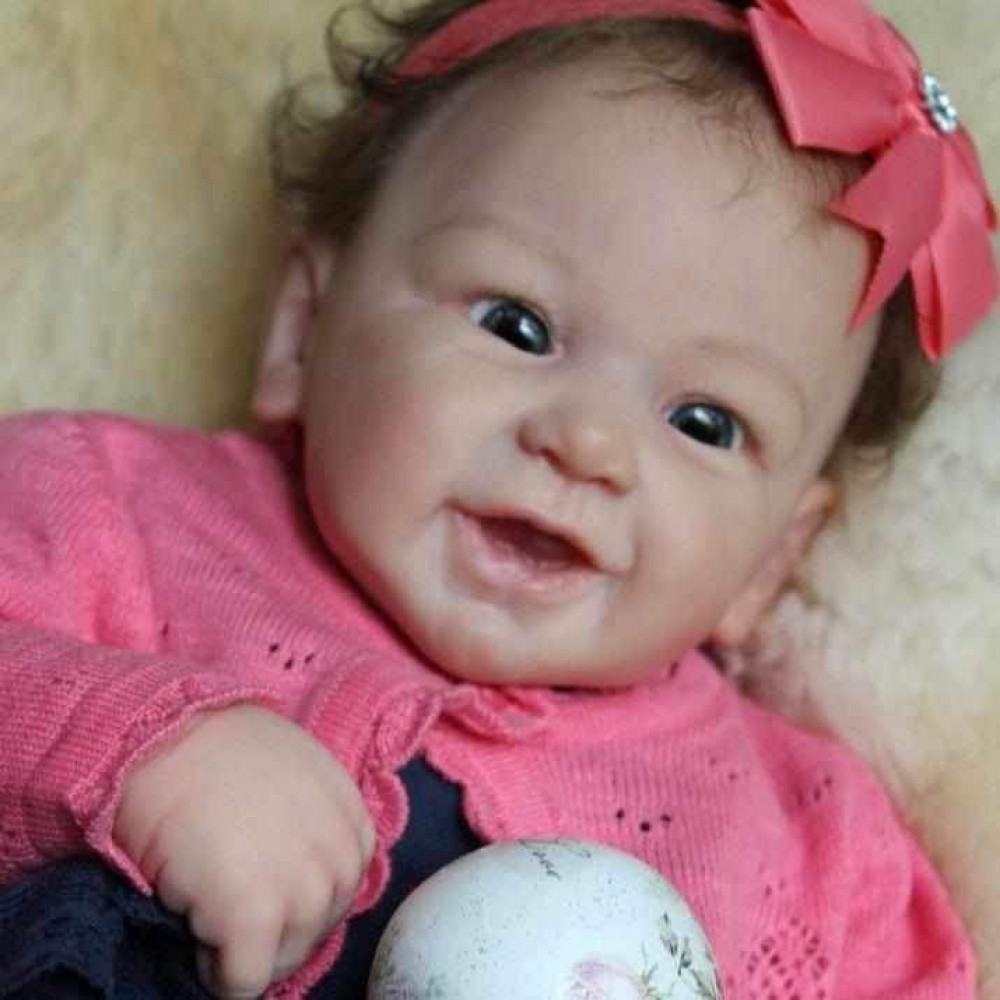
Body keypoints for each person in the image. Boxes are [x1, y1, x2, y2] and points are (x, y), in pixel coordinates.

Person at [0, 0, 995, 998]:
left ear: (771, 560)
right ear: (303, 329)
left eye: (704, 422)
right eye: (517, 327)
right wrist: (136, 749)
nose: (589, 444)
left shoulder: (813, 843)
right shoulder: (113, 511)